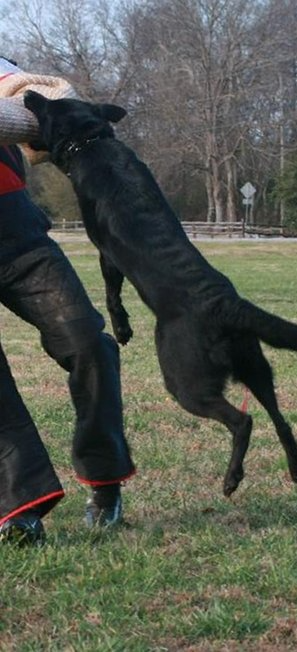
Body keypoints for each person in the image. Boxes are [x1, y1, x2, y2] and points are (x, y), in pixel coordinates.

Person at [0, 57, 135, 545]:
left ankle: (105, 481)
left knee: (87, 343)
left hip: (15, 233)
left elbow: (43, 95)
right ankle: (19, 510)